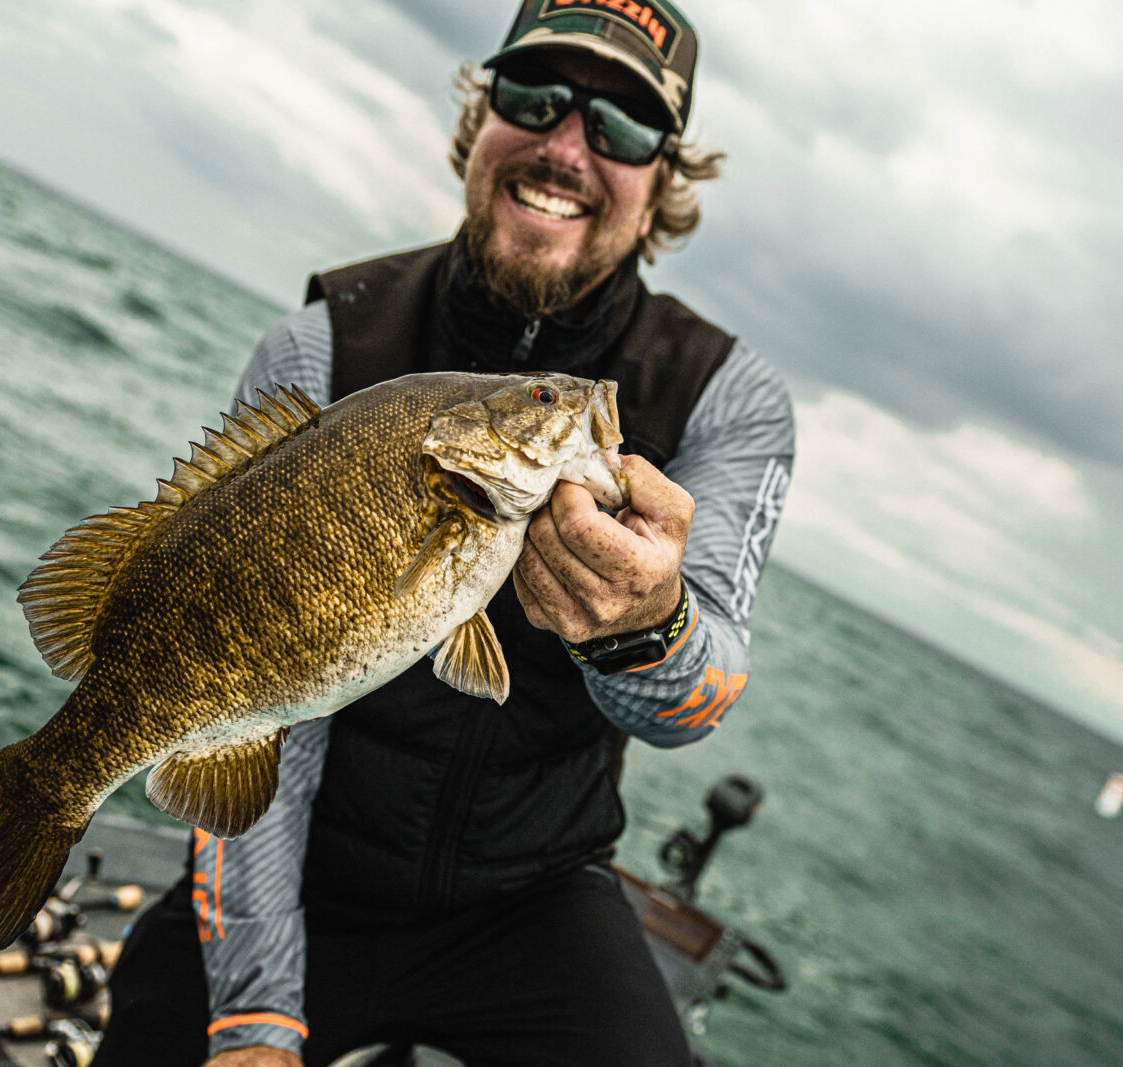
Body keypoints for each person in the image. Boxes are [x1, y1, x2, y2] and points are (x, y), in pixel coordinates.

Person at [93, 1, 795, 1065]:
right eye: (533, 97)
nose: (566, 145)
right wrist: (256, 1013)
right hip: (307, 865)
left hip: (535, 896)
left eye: (624, 127)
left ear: (665, 183)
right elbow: (260, 712)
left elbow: (696, 700)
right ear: (480, 122)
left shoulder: (724, 397)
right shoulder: (322, 342)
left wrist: (643, 625)